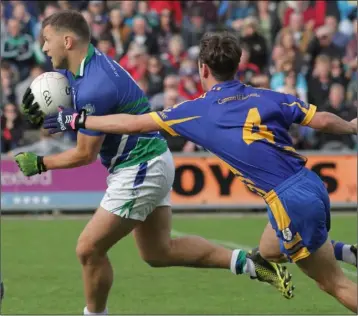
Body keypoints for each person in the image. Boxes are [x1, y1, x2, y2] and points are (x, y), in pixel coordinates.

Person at [42, 31, 357, 313]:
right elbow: (323, 120)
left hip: (287, 200)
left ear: (203, 69)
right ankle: (346, 251)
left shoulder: (195, 111)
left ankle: (338, 258)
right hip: (310, 182)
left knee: (333, 284)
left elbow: (132, 123)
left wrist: (77, 121)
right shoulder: (266, 95)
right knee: (270, 251)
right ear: (238, 65)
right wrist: (352, 127)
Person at [14, 12, 294, 316]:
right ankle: (252, 264)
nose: (43, 48)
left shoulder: (95, 85)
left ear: (67, 41)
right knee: (158, 252)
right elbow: (72, 99)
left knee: (88, 248)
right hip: (152, 161)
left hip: (139, 166)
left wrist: (41, 164)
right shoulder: (88, 68)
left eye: (47, 41)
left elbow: (85, 154)